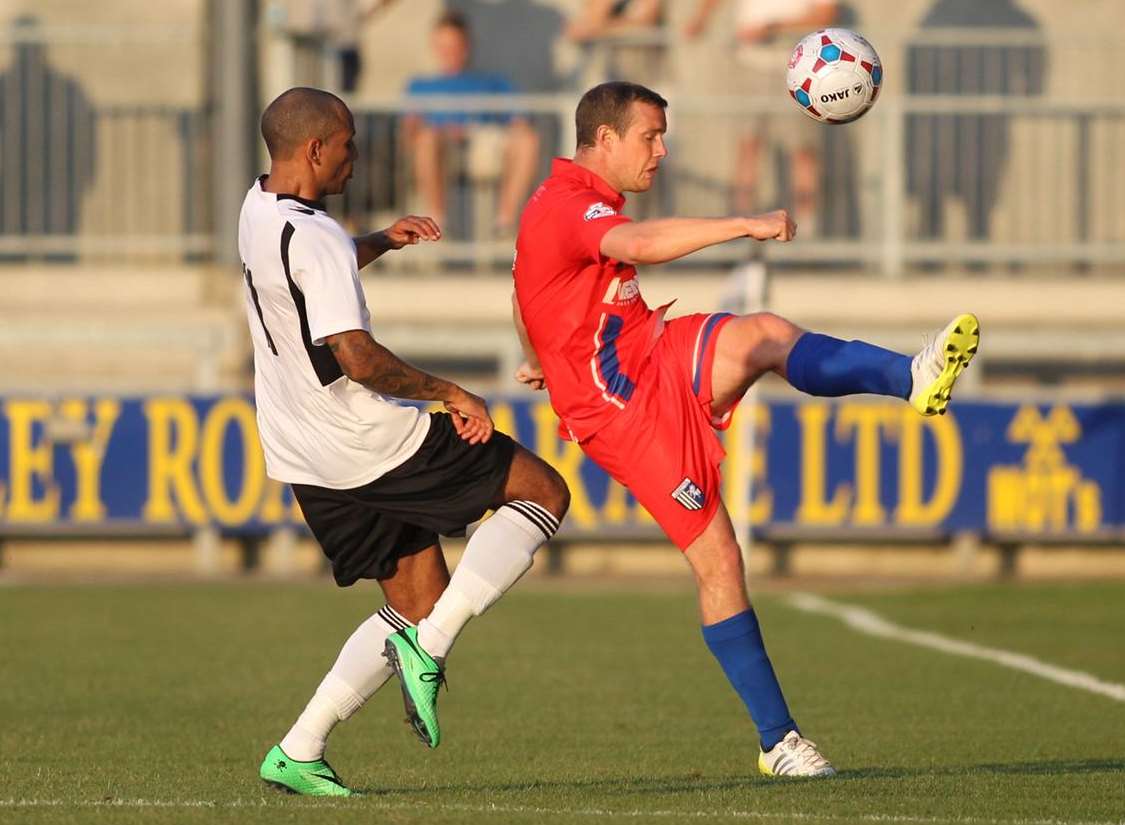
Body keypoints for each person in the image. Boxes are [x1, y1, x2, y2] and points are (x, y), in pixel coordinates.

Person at [510, 82, 979, 777]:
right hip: (621, 410)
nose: (662, 151)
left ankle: (910, 377)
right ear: (603, 140)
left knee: (762, 333)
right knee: (720, 560)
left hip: (650, 351)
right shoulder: (571, 203)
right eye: (650, 137)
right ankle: (778, 740)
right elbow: (637, 242)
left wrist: (535, 350)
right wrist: (744, 224)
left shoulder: (574, 201)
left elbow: (522, 281)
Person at [238, 87, 569, 796]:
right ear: (316, 149)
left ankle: (299, 748)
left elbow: (304, 279)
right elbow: (358, 356)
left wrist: (381, 241)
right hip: (367, 438)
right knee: (544, 492)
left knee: (416, 596)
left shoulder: (257, 206)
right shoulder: (319, 236)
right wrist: (453, 394)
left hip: (303, 453)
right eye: (349, 144)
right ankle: (433, 645)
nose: (357, 157)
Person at [684, 0, 838, 225]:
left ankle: (805, 239)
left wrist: (772, 28)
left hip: (800, 71)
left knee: (803, 151)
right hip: (751, 65)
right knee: (748, 148)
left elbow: (826, 16)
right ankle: (744, 236)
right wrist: (700, 19)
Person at [404, 10, 540, 235]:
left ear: (466, 46)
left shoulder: (492, 81)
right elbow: (409, 132)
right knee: (426, 138)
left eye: (454, 46)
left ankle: (505, 222)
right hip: (440, 148)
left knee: (528, 140)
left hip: (484, 145)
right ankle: (437, 221)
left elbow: (519, 119)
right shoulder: (419, 86)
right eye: (443, 46)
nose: (449, 53)